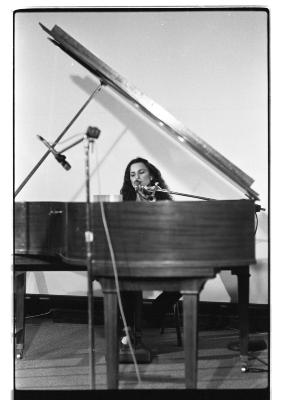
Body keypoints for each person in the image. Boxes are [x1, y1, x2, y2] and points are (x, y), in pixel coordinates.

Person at [119, 157, 181, 362]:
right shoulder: (123, 200)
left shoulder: (163, 199)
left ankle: (150, 317)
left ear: (151, 175)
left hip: (160, 256)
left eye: (141, 172)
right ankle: (129, 330)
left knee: (185, 279)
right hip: (133, 256)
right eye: (132, 174)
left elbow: (173, 231)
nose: (137, 177)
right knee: (124, 277)